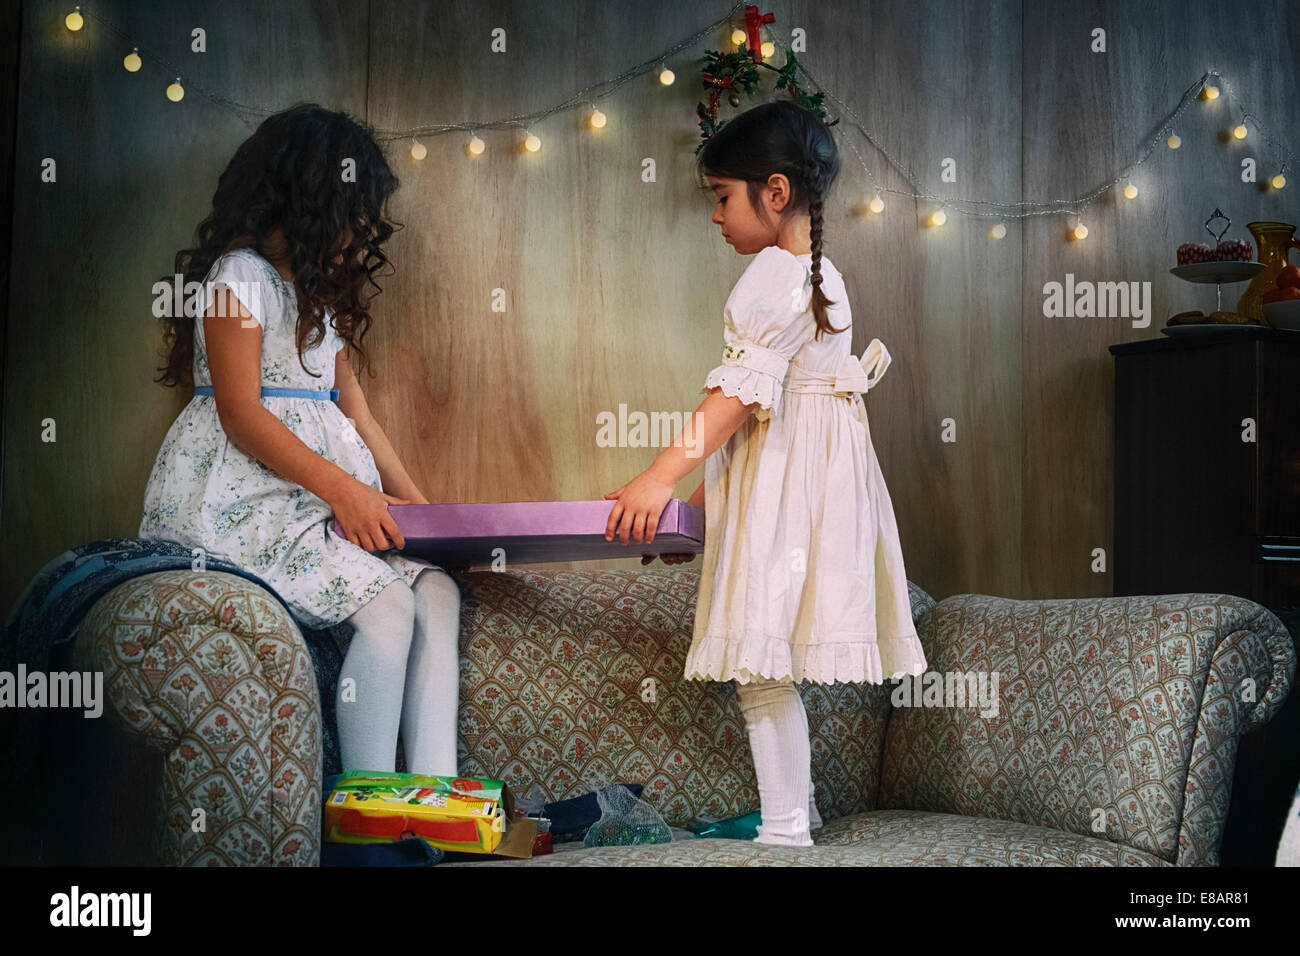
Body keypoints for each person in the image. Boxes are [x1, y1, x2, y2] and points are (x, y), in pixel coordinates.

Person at [604, 100, 927, 846]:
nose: (716, 217)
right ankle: (801, 812)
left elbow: (730, 401)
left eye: (722, 197)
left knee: (761, 664)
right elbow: (749, 413)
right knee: (767, 658)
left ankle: (785, 830)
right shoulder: (814, 276)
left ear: (774, 192)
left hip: (789, 492)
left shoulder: (776, 278)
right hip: (801, 486)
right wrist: (689, 505)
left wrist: (656, 478)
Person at [139, 104, 460, 776]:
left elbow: (362, 419)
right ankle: (368, 810)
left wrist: (428, 515)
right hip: (251, 507)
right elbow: (241, 415)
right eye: (350, 213)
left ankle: (438, 797)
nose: (359, 234)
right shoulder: (239, 279)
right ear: (306, 202)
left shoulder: (316, 298)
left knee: (437, 590)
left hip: (318, 508)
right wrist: (345, 491)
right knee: (387, 604)